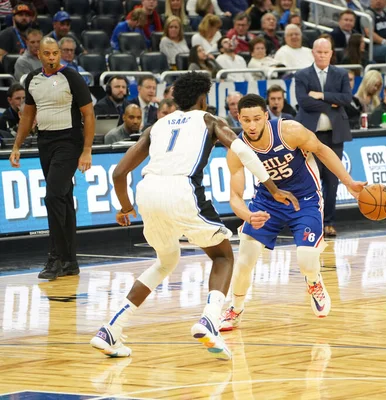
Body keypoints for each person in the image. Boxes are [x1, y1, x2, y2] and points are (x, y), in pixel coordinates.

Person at [90, 72, 298, 360]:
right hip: (182, 189)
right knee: (223, 256)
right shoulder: (209, 121)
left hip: (148, 191)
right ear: (203, 98)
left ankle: (111, 329)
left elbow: (119, 173)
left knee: (165, 261)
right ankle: (209, 321)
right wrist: (273, 188)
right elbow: (245, 153)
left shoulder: (157, 125)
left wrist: (126, 208)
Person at [219, 94, 365, 330]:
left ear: (267, 116)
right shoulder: (237, 149)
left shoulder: (290, 131)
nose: (252, 125)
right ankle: (235, 309)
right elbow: (235, 197)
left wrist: (347, 182)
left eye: (257, 118)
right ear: (239, 119)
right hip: (266, 203)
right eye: (246, 120)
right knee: (244, 261)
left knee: (306, 259)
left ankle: (314, 281)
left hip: (304, 199)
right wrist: (248, 216)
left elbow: (322, 150)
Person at [9, 37, 95, 280]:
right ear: (39, 55)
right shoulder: (33, 80)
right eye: (46, 53)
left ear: (59, 54)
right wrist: (17, 145)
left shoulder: (72, 76)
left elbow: (88, 114)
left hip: (69, 141)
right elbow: (27, 115)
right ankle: (70, 261)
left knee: (53, 196)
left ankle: (55, 258)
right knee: (63, 199)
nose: (51, 58)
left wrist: (87, 150)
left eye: (55, 53)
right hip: (45, 142)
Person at [295, 38, 353, 237]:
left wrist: (321, 96)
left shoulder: (341, 74)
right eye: (318, 52)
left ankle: (329, 222)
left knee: (332, 181)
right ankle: (310, 222)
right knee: (311, 181)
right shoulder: (302, 75)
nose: (322, 55)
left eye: (325, 52)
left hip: (334, 136)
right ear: (313, 52)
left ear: (331, 53)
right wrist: (332, 102)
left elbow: (346, 99)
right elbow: (303, 102)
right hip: (309, 137)